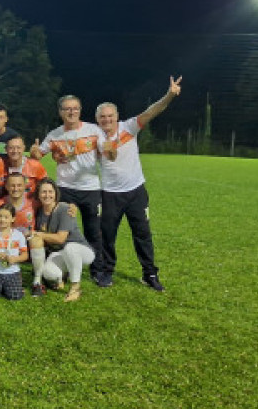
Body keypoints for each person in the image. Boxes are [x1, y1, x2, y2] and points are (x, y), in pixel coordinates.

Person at [95, 76, 182, 290]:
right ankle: (106, 272)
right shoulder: (94, 137)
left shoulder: (129, 127)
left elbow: (152, 111)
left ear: (117, 116)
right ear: (98, 119)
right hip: (109, 194)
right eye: (102, 117)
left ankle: (150, 273)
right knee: (107, 235)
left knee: (142, 233)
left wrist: (169, 95)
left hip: (135, 191)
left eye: (110, 116)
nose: (107, 119)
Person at [31, 94, 106, 286]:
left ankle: (97, 271)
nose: (71, 112)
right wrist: (34, 151)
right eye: (67, 109)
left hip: (91, 188)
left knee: (94, 231)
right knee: (63, 231)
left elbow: (107, 152)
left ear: (80, 111)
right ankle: (61, 269)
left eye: (75, 108)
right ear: (60, 112)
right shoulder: (55, 134)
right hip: (65, 188)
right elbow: (38, 154)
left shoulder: (93, 130)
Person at [30, 178, 94, 302]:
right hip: (60, 253)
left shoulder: (65, 209)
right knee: (48, 273)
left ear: (56, 193)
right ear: (38, 194)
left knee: (70, 248)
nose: (47, 195)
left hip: (81, 250)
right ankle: (62, 278)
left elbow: (60, 239)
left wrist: (37, 234)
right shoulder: (39, 212)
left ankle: (75, 288)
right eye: (43, 192)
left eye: (50, 192)